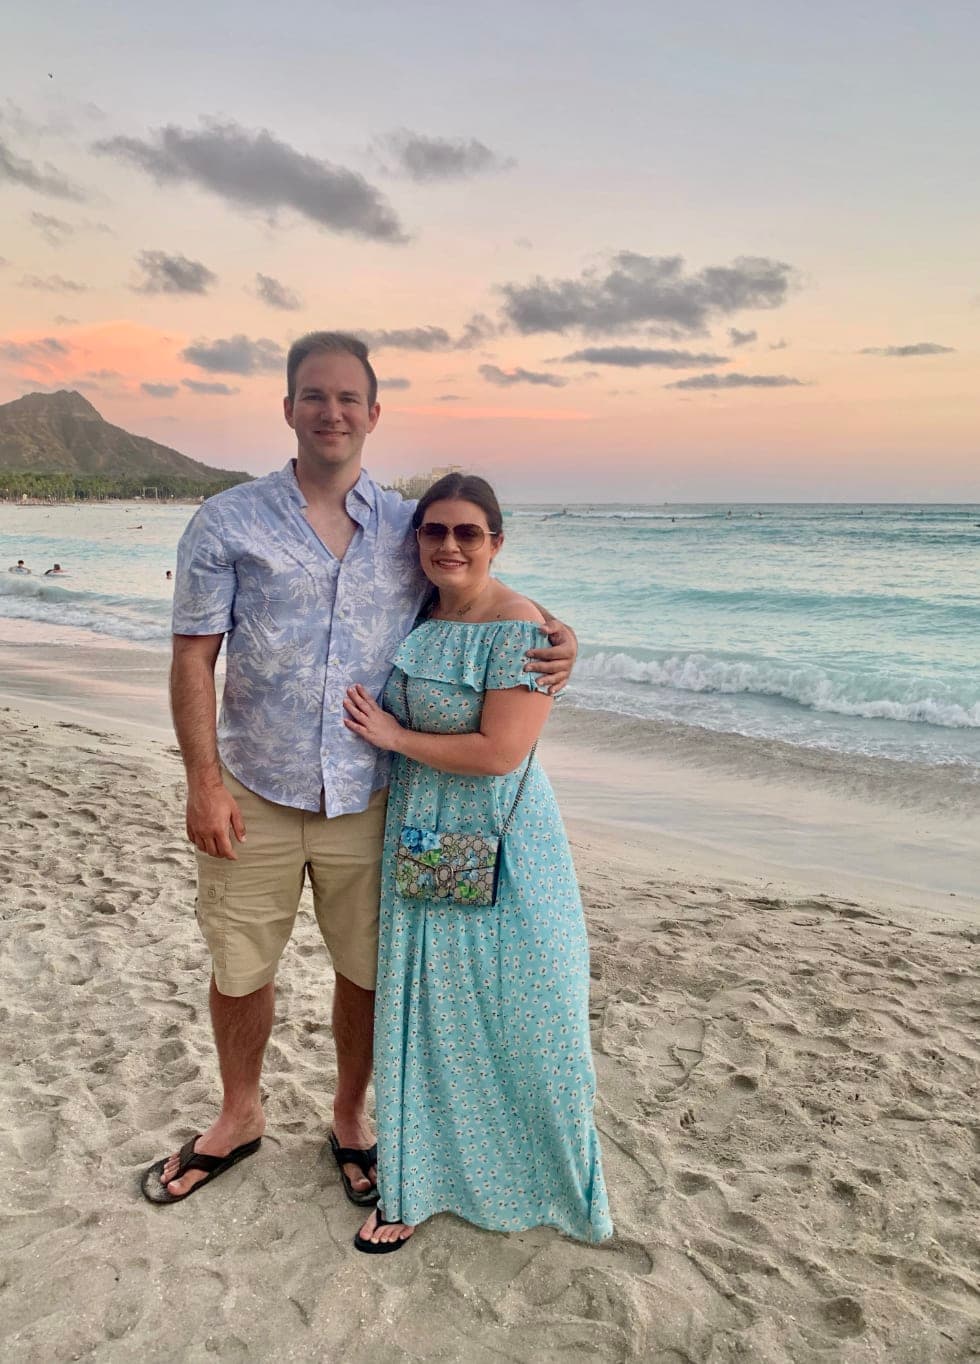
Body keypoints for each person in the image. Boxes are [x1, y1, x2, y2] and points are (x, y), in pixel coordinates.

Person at [141, 332, 577, 1205]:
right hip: (252, 789)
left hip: (376, 797)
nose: (331, 411)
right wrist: (202, 783)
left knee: (370, 971)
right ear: (290, 407)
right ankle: (239, 1114)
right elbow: (194, 659)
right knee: (240, 966)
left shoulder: (406, 527)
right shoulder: (226, 521)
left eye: (349, 398)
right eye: (314, 395)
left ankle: (350, 1115)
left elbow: (476, 594)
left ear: (374, 415)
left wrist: (559, 637)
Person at [342, 473, 612, 1252]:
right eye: (435, 531)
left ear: (496, 541)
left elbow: (500, 753)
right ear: (417, 541)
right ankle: (420, 1179)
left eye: (468, 532)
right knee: (431, 1009)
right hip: (424, 836)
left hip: (501, 841)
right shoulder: (418, 614)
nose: (450, 545)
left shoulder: (520, 628)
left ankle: (543, 1173)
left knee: (536, 1010)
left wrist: (392, 738)